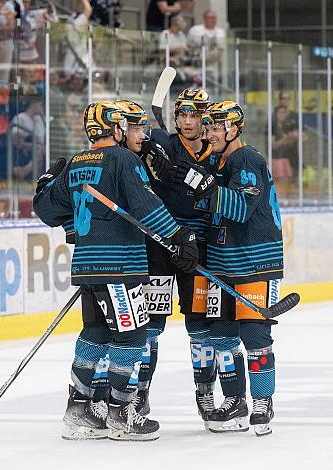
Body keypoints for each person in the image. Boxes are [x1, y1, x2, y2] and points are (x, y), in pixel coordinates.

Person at [33, 100, 198, 441]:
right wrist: (179, 235)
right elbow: (145, 204)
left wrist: (45, 187)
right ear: (116, 128)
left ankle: (78, 409)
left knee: (95, 332)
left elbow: (49, 212)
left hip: (88, 266)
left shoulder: (77, 162)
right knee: (133, 335)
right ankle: (122, 414)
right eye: (125, 125)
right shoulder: (123, 159)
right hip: (120, 265)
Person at [166, 101, 284, 436]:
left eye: (216, 128)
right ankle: (236, 401)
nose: (210, 134)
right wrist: (187, 182)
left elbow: (242, 207)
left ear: (233, 129)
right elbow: (207, 203)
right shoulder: (221, 161)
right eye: (209, 128)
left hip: (253, 262)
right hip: (220, 262)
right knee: (221, 336)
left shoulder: (247, 159)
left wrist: (203, 184)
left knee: (254, 335)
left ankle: (263, 402)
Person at [135, 89, 219, 426]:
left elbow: (213, 193)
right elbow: (142, 139)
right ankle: (139, 393)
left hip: (196, 248)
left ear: (204, 119)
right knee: (151, 326)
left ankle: (206, 393)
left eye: (194, 115)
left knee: (199, 327)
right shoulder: (164, 142)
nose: (187, 121)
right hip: (159, 243)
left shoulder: (216, 156)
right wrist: (152, 152)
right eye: (182, 114)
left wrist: (185, 173)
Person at [271, 90, 301, 182]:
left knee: (291, 183)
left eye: (288, 98)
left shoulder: (293, 119)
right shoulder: (273, 123)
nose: (286, 100)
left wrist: (293, 137)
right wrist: (285, 139)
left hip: (292, 156)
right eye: (284, 98)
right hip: (279, 158)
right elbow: (273, 144)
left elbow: (300, 134)